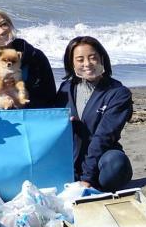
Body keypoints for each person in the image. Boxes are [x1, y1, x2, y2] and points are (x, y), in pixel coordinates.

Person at [54, 36, 133, 191]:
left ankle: (102, 187)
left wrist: (87, 178)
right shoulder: (66, 88)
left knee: (116, 162)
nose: (87, 64)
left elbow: (104, 137)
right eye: (80, 59)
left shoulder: (118, 93)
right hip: (71, 160)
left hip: (100, 162)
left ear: (102, 58)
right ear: (72, 63)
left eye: (92, 58)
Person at [0, 7, 56, 108]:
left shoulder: (34, 55)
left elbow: (50, 96)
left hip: (33, 117)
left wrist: (22, 100)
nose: (2, 31)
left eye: (4, 24)